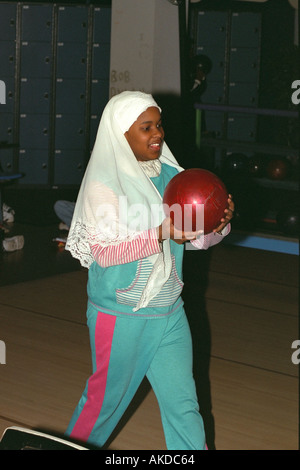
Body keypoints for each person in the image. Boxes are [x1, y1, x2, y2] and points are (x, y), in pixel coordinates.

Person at [64, 91, 234, 450]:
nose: (157, 133)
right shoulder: (104, 186)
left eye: (158, 125)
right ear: (121, 134)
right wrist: (160, 231)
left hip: (170, 312)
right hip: (120, 315)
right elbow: (106, 254)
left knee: (185, 406)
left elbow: (195, 240)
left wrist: (217, 223)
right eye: (145, 127)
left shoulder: (174, 176)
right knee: (103, 406)